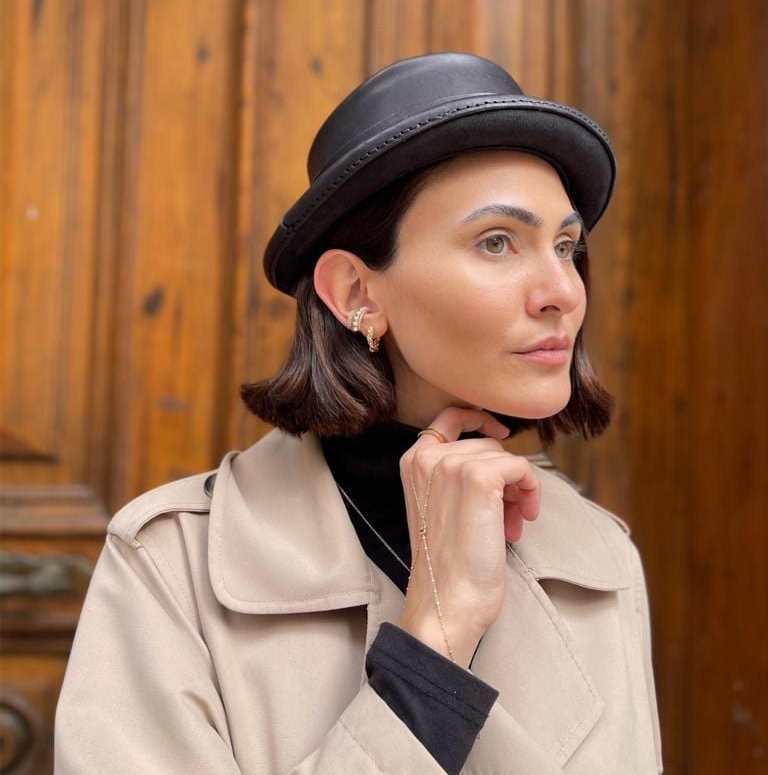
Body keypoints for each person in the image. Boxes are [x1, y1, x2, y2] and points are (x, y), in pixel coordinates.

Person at [53, 52, 663, 774]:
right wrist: (434, 639)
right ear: (355, 293)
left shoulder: (598, 560)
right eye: (497, 242)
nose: (562, 290)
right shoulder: (171, 564)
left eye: (566, 246)